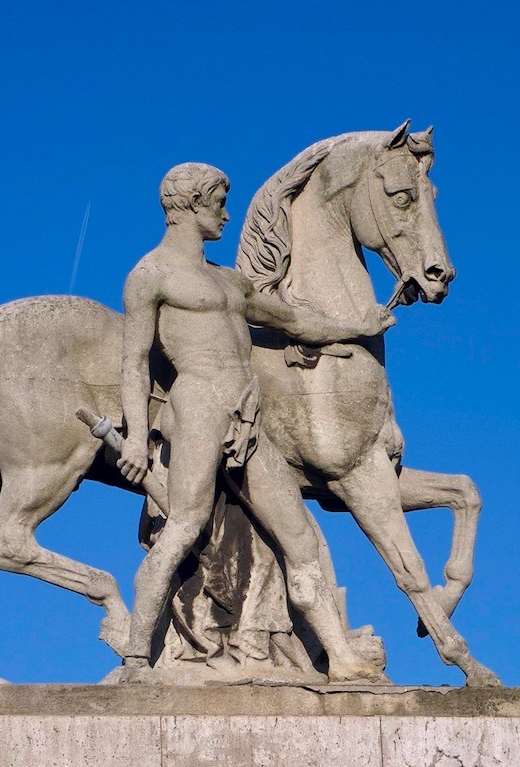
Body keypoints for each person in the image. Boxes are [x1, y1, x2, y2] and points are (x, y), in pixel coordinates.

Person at [117, 162, 394, 681]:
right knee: (184, 525)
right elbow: (133, 361)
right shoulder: (150, 275)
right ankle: (136, 655)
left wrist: (358, 326)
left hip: (247, 412)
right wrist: (135, 437)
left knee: (300, 536)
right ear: (191, 204)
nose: (226, 213)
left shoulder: (229, 280)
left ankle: (339, 655)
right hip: (196, 400)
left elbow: (292, 321)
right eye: (219, 201)